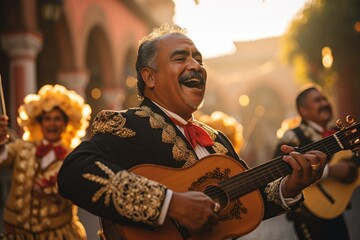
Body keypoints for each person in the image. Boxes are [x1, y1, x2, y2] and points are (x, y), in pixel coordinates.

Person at [57, 24, 327, 239]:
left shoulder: (217, 140)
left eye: (199, 59)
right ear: (149, 77)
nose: (196, 66)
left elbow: (247, 203)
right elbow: (74, 172)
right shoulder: (129, 125)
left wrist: (290, 187)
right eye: (180, 58)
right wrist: (170, 204)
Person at [0, 84, 91, 239]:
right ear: (40, 123)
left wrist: (56, 190)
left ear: (66, 124)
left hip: (58, 234)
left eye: (57, 119)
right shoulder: (22, 147)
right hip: (17, 234)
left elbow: (82, 193)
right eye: (47, 119)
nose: (52, 124)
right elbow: (3, 157)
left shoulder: (75, 156)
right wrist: (1, 141)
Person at [273, 84, 359, 240]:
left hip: (336, 206)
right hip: (307, 213)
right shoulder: (292, 137)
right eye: (317, 100)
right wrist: (329, 171)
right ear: (303, 110)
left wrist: (351, 168)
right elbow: (280, 170)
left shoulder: (338, 132)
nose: (325, 103)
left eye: (325, 99)